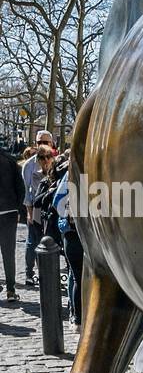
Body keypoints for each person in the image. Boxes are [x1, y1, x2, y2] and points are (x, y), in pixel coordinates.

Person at [51, 161, 83, 326]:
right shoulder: (70, 176)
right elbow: (57, 202)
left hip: (88, 235)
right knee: (77, 275)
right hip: (73, 233)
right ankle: (76, 318)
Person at [22, 133, 56, 287]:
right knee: (32, 241)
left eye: (45, 141)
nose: (45, 160)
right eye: (39, 142)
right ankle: (30, 273)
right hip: (36, 209)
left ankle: (48, 274)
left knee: (51, 242)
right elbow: (27, 192)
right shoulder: (29, 165)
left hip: (52, 209)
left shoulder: (57, 161)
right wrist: (29, 212)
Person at [0, 148, 25, 302]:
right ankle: (10, 289)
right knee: (9, 253)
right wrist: (18, 209)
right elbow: (20, 188)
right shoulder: (10, 160)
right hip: (9, 211)